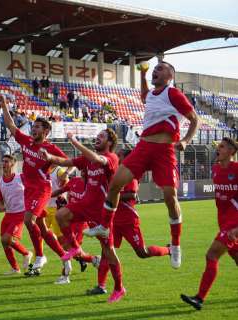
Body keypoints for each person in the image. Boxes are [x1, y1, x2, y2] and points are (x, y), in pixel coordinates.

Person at [87, 61, 200, 271]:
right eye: (154, 69)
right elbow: (144, 95)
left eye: (161, 69)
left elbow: (195, 119)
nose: (156, 71)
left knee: (169, 196)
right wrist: (142, 75)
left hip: (164, 150)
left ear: (170, 76)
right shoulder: (151, 95)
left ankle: (175, 245)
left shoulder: (173, 93)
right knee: (114, 185)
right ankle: (104, 226)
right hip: (144, 147)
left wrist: (185, 140)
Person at [49, 130, 125, 303]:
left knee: (108, 251)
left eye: (102, 136)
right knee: (61, 215)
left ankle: (119, 287)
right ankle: (75, 248)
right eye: (97, 135)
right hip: (85, 206)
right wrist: (49, 156)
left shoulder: (111, 158)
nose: (97, 138)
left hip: (101, 213)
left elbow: (98, 159)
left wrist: (74, 141)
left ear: (110, 143)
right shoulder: (87, 160)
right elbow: (65, 161)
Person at [0, 95, 68, 273]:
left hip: (42, 189)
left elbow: (67, 161)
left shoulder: (50, 148)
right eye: (33, 126)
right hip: (29, 190)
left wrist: (58, 166)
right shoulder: (26, 141)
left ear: (45, 132)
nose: (33, 129)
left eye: (37, 127)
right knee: (43, 229)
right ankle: (68, 256)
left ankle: (39, 255)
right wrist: (5, 105)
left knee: (29, 220)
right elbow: (11, 126)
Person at [87, 148, 170, 296]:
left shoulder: (130, 175)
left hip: (128, 221)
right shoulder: (113, 174)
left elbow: (132, 194)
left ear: (127, 159)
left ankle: (168, 250)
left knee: (142, 252)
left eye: (119, 156)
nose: (116, 158)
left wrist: (111, 194)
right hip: (112, 220)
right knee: (106, 252)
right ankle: (101, 286)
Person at [181, 137, 238, 310]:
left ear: (231, 152)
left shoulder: (237, 169)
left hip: (234, 221)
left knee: (211, 255)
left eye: (221, 147)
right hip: (223, 220)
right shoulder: (215, 169)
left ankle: (199, 298)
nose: (218, 149)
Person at [0, 154, 33, 274]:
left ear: (13, 163)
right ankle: (15, 268)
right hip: (9, 214)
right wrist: (1, 206)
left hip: (21, 213)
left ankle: (26, 253)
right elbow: (0, 198)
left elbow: (31, 189)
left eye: (6, 161)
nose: (4, 164)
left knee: (7, 238)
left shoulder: (20, 177)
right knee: (3, 241)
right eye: (3, 161)